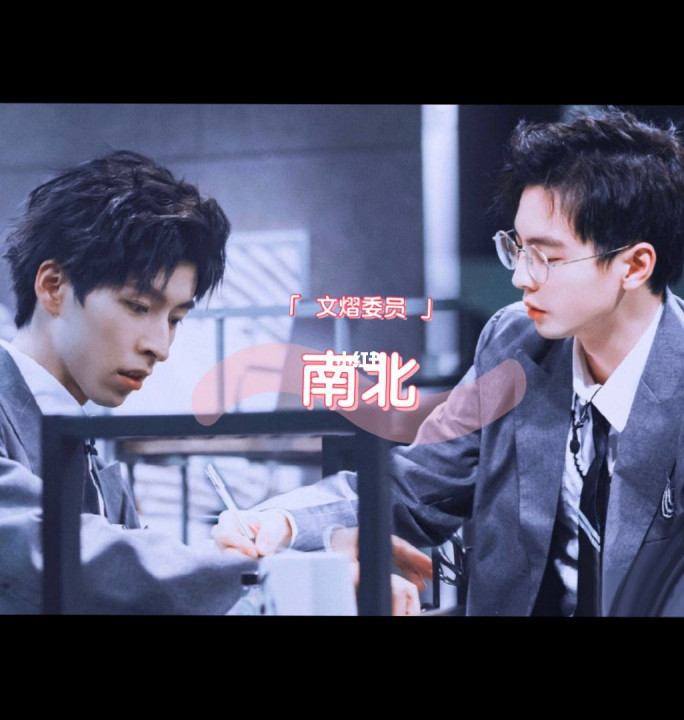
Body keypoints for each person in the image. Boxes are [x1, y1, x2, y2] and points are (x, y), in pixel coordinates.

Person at [213, 108, 684, 616]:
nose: (521, 277)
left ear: (635, 265)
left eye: (547, 257)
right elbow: (417, 483)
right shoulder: (514, 343)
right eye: (517, 248)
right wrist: (283, 522)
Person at [0, 150, 426, 615]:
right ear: (53, 286)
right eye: (138, 307)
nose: (160, 346)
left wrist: (308, 562)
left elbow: (137, 590)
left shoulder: (86, 451)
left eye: (175, 319)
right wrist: (276, 576)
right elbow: (49, 552)